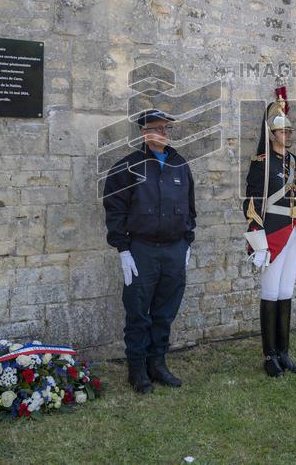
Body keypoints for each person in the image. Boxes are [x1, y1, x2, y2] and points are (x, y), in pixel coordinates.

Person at [102, 109, 195, 393]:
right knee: (138, 312)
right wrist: (123, 250)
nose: (163, 133)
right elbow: (115, 210)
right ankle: (138, 369)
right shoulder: (126, 167)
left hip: (174, 249)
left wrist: (187, 241)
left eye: (166, 128)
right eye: (157, 128)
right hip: (142, 250)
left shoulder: (180, 164)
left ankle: (158, 363)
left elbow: (190, 206)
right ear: (144, 132)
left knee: (165, 311)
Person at [242, 91, 296, 377]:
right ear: (271, 134)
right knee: (270, 293)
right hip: (272, 234)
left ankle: (284, 351)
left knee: (286, 292)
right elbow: (251, 203)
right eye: (282, 130)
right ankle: (269, 355)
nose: (287, 134)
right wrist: (258, 243)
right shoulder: (261, 164)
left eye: (289, 130)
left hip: (295, 232)